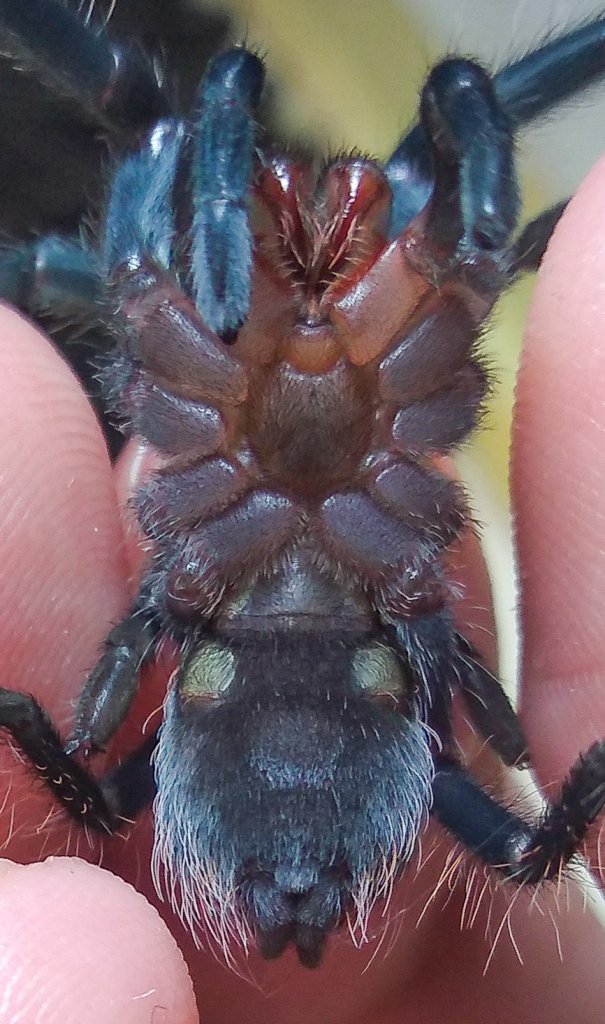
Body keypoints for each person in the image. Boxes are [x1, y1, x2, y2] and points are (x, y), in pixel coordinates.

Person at [0, 157, 603, 1023]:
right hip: (368, 678)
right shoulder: (405, 404)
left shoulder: (192, 391)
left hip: (268, 685)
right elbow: (529, 851)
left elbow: (99, 802)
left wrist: (27, 719)